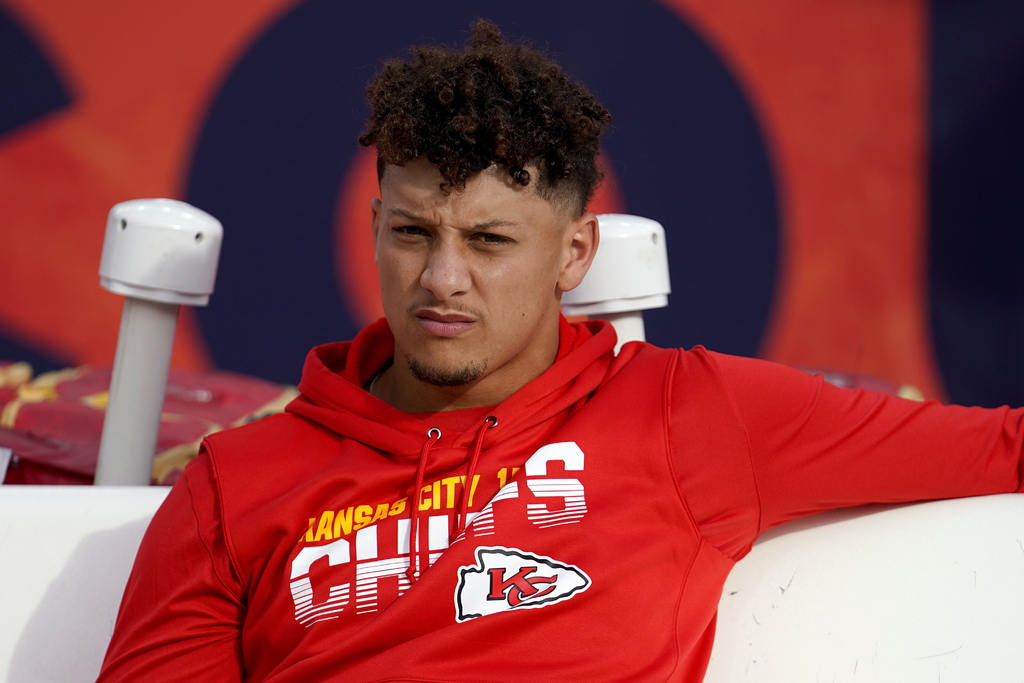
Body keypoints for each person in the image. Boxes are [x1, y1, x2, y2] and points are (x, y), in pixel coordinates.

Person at [97, 20, 1024, 683]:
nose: (443, 278)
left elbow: (1002, 449)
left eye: (490, 241)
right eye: (413, 232)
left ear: (575, 252)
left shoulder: (689, 410)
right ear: (374, 228)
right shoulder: (233, 485)